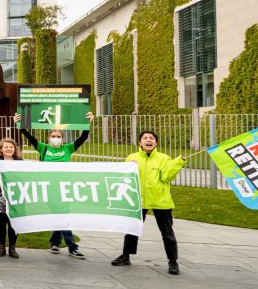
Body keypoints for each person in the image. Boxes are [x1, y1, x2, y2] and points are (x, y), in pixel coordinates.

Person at [16, 111, 95, 258]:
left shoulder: (68, 148)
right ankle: (71, 247)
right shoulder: (43, 148)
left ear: (62, 139)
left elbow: (83, 138)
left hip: (64, 187)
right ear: (48, 138)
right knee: (61, 215)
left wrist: (87, 123)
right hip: (49, 188)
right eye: (53, 136)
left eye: (58, 137)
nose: (56, 139)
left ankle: (56, 243)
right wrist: (20, 125)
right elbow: (29, 137)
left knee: (60, 215)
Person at [112, 131, 187, 275]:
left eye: (151, 138)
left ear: (156, 143)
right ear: (140, 143)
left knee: (167, 233)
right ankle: (126, 255)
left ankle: (173, 261)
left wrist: (177, 162)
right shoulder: (132, 157)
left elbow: (166, 177)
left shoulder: (164, 158)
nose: (148, 140)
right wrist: (129, 167)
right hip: (138, 199)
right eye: (145, 138)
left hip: (160, 201)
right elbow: (124, 177)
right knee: (132, 229)